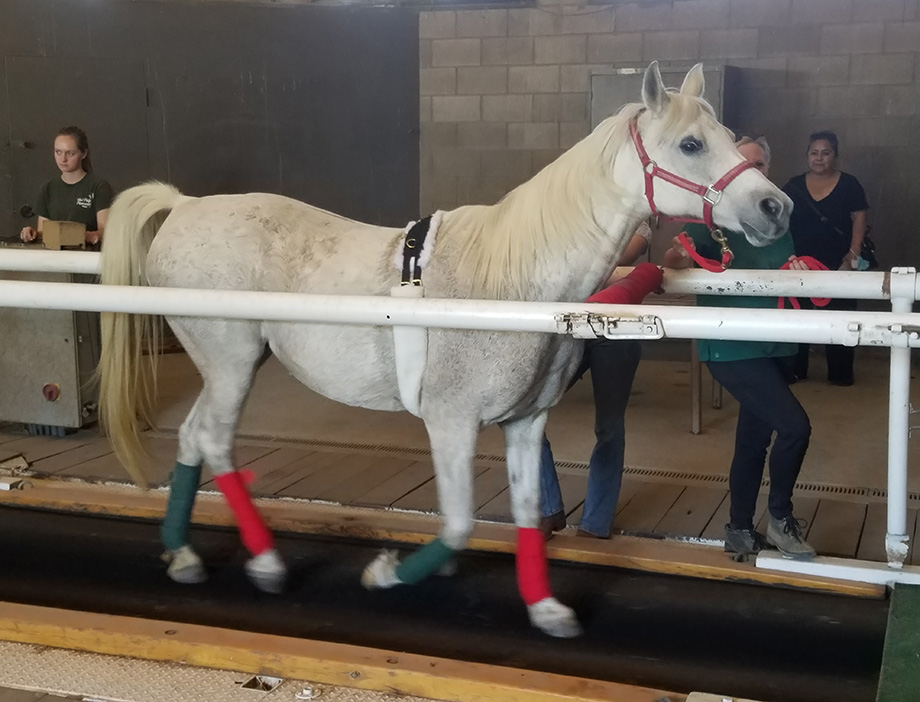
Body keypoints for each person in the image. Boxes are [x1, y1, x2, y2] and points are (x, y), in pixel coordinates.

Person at [663, 135, 816, 561]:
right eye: (745, 162)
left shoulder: (776, 218)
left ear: (768, 168)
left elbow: (782, 266)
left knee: (753, 441)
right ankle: (781, 521)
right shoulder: (712, 219)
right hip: (731, 347)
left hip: (774, 345)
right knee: (794, 427)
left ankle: (739, 528)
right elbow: (674, 259)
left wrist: (798, 269)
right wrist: (681, 253)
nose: (754, 171)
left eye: (761, 164)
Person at [539, 222, 657, 540]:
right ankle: (548, 509)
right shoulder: (560, 203)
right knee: (525, 413)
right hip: (564, 324)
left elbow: (636, 243)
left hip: (614, 324)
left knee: (609, 427)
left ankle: (596, 522)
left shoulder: (629, 203)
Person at [782, 130, 869, 386]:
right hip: (800, 264)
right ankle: (796, 369)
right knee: (798, 317)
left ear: (835, 156)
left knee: (841, 317)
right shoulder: (793, 186)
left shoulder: (850, 184)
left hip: (838, 262)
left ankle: (841, 373)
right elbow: (781, 222)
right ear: (807, 155)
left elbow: (860, 218)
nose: (819, 158)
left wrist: (852, 256)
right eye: (814, 153)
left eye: (825, 153)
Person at [20, 126, 114, 247]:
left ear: (84, 153)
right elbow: (44, 231)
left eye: (70, 153)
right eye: (58, 152)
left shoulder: (99, 186)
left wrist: (88, 235)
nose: (63, 159)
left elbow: (105, 230)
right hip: (55, 258)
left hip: (87, 256)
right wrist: (33, 233)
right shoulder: (48, 188)